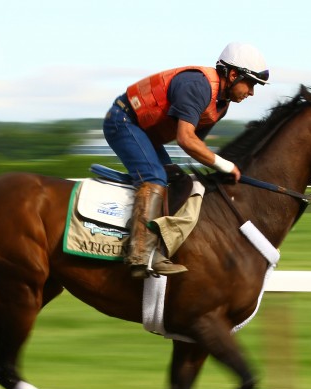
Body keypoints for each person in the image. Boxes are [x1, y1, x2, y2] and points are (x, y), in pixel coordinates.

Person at [103, 42, 270, 279]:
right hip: (123, 121)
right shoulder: (198, 86)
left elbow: (195, 146)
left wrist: (220, 168)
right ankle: (139, 253)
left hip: (145, 132)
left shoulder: (221, 106)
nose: (252, 92)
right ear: (233, 74)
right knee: (154, 177)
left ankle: (159, 245)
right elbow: (185, 139)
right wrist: (225, 165)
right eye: (251, 83)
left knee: (178, 180)